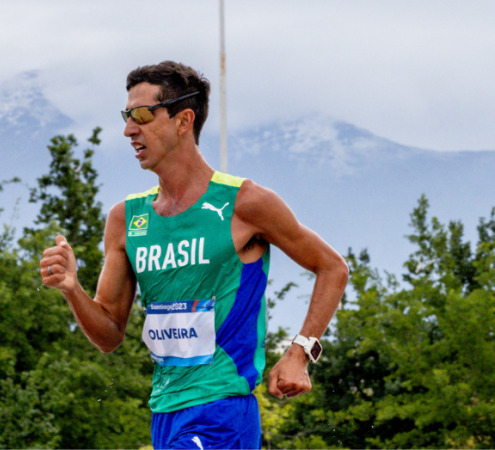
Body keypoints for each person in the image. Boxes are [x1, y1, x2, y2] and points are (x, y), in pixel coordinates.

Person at [39, 61, 348, 449]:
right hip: (165, 412)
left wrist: (300, 352)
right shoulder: (125, 218)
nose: (128, 129)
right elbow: (108, 336)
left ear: (183, 120)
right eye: (126, 116)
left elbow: (332, 267)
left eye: (142, 115)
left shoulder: (245, 202)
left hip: (222, 410)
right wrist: (71, 288)